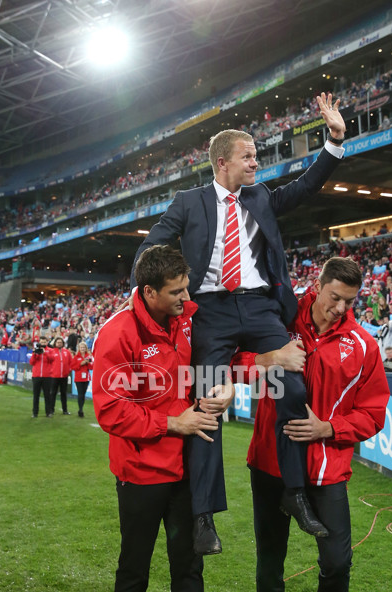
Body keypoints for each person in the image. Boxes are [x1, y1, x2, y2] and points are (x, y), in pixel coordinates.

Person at [131, 93, 347, 555]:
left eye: (256, 156)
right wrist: (148, 292)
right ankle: (204, 515)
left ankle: (294, 491)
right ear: (223, 162)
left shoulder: (262, 197)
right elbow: (150, 249)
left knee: (291, 388)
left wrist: (333, 140)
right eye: (248, 157)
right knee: (209, 402)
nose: (256, 163)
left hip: (262, 307)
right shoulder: (188, 202)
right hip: (210, 310)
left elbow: (306, 187)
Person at [92, 245, 229, 592]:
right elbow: (110, 411)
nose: (185, 297)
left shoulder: (190, 316)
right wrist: (174, 421)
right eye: (175, 291)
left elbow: (225, 353)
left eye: (186, 287)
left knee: (189, 575)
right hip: (140, 475)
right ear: (147, 292)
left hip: (186, 476)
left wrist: (225, 383)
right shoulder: (116, 334)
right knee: (134, 573)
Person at [238, 257, 389, 592]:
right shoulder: (279, 319)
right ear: (317, 286)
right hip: (269, 465)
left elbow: (374, 412)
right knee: (270, 570)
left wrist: (329, 429)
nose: (340, 307)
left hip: (327, 471)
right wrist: (268, 358)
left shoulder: (363, 345)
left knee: (337, 562)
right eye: (334, 297)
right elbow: (235, 359)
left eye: (349, 301)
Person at [29, 336, 54, 418]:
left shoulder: (50, 350)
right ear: (39, 342)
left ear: (47, 342)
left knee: (47, 395)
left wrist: (45, 353)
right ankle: (35, 412)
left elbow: (52, 359)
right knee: (36, 395)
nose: (43, 344)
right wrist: (35, 354)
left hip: (47, 376)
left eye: (44, 342)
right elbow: (32, 362)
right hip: (36, 375)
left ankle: (48, 412)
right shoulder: (36, 350)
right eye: (41, 342)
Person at [49, 336, 73, 415]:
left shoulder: (66, 352)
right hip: (54, 376)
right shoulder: (52, 351)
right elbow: (49, 363)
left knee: (64, 394)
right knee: (53, 393)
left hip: (64, 376)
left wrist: (68, 370)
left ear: (63, 343)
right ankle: (51, 410)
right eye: (58, 342)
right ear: (55, 343)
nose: (59, 344)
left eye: (61, 342)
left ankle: (65, 410)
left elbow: (71, 362)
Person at [71, 341, 93, 418]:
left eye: (84, 347)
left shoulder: (88, 356)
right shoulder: (76, 357)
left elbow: (91, 367)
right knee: (80, 394)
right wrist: (80, 364)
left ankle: (81, 408)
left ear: (86, 348)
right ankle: (80, 410)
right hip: (78, 378)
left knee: (83, 394)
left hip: (86, 378)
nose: (82, 349)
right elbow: (73, 367)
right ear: (79, 348)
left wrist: (88, 363)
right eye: (81, 347)